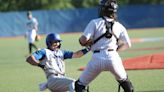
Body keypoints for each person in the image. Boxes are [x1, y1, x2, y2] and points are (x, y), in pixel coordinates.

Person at [75, 0, 134, 92]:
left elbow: (83, 40)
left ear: (103, 10)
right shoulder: (119, 26)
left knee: (80, 85)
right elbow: (128, 44)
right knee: (126, 84)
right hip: (113, 58)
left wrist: (84, 41)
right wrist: (115, 50)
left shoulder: (94, 22)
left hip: (97, 58)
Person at [26, 33, 90, 92]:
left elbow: (77, 54)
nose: (57, 44)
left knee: (82, 85)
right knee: (74, 84)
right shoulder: (44, 52)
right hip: (53, 80)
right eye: (55, 42)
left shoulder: (61, 52)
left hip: (62, 79)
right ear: (49, 42)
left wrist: (88, 48)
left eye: (58, 42)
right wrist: (39, 64)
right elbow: (29, 59)